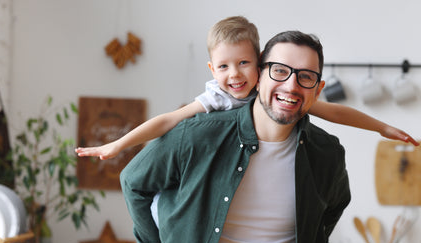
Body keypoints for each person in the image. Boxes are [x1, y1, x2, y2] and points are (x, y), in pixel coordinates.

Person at [121, 29, 352, 243]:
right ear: (259, 74)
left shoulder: (327, 153)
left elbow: (333, 208)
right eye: (280, 71)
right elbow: (133, 181)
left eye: (305, 77)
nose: (291, 85)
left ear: (317, 90)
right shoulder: (197, 134)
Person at [75, 17, 417, 160]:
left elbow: (333, 110)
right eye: (223, 67)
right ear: (212, 70)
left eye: (243, 63)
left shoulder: (275, 97)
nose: (234, 75)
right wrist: (117, 145)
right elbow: (167, 120)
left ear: (259, 63)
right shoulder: (216, 97)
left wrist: (383, 127)